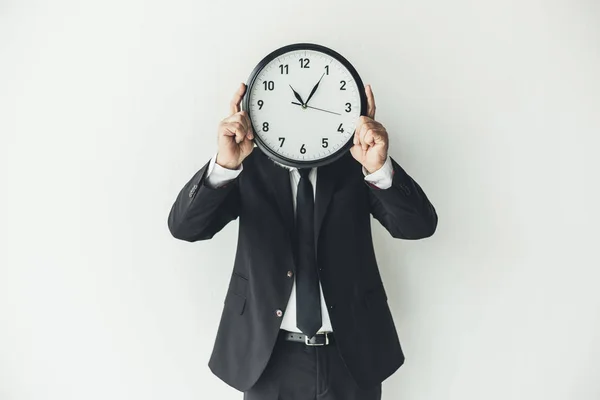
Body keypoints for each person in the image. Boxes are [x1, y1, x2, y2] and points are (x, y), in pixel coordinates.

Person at [167, 82, 438, 400]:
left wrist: (378, 167)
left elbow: (418, 226)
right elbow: (185, 227)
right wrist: (224, 166)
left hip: (351, 357)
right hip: (267, 358)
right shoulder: (246, 164)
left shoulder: (356, 163)